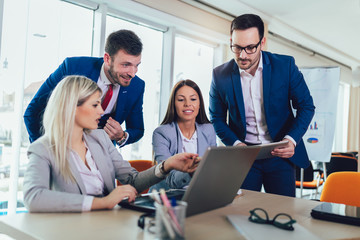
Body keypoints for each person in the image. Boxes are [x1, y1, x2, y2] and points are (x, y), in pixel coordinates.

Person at [23, 75, 199, 213]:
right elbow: (34, 197)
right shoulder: (42, 149)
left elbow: (132, 180)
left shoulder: (100, 138)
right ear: (72, 108)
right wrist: (102, 202)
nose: (101, 111)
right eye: (95, 105)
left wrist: (167, 165)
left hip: (109, 225)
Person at [209, 14, 315, 197]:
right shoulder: (220, 75)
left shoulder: (285, 66)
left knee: (283, 215)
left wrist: (291, 139)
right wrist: (235, 144)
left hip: (280, 155)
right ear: (230, 41)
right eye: (237, 47)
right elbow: (216, 118)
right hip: (244, 157)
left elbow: (306, 106)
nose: (242, 55)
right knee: (243, 214)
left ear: (262, 42)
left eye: (250, 48)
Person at [24, 29, 144, 147]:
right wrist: (45, 153)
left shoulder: (137, 86)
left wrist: (121, 136)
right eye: (126, 65)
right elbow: (33, 112)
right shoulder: (72, 68)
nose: (132, 73)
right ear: (107, 59)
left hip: (101, 157)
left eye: (136, 65)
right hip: (62, 151)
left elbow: (137, 129)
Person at [150, 79, 216, 191]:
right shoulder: (161, 133)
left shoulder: (208, 129)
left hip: (198, 194)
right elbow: (170, 179)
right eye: (181, 100)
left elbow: (212, 168)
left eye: (193, 99)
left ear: (199, 104)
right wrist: (193, 172)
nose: (188, 104)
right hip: (166, 197)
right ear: (173, 105)